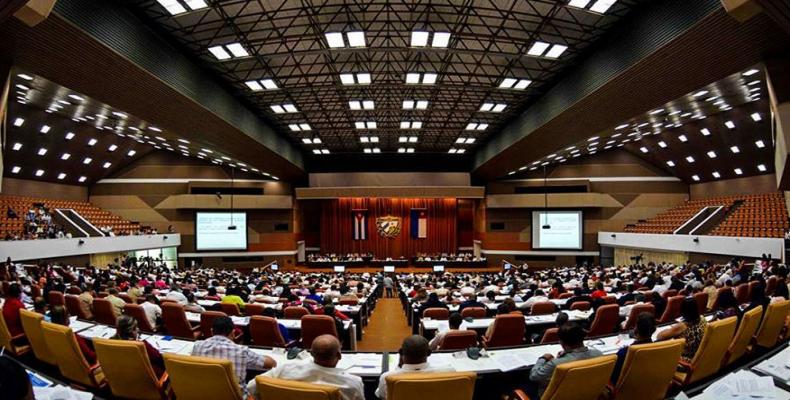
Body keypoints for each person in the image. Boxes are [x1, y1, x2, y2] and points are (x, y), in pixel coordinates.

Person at [247, 334, 364, 400]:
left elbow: (251, 387)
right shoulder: (352, 383)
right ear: (339, 355)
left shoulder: (284, 368)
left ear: (311, 354)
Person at [191, 316, 276, 391]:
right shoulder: (241, 351)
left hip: (204, 393)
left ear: (212, 331)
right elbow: (272, 364)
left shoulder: (197, 345)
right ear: (233, 332)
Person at [528, 322, 603, 397]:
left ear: (562, 342)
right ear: (582, 338)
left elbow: (534, 376)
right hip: (586, 394)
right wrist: (565, 355)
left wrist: (543, 358)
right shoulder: (599, 354)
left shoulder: (556, 364)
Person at [376, 335, 454, 399]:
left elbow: (382, 396)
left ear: (401, 352)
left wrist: (398, 368)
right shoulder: (449, 373)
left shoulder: (387, 378)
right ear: (429, 353)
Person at [611, 312, 655, 383]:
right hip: (646, 385)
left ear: (636, 329)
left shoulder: (624, 353)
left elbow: (613, 376)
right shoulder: (658, 348)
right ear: (654, 330)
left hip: (624, 389)